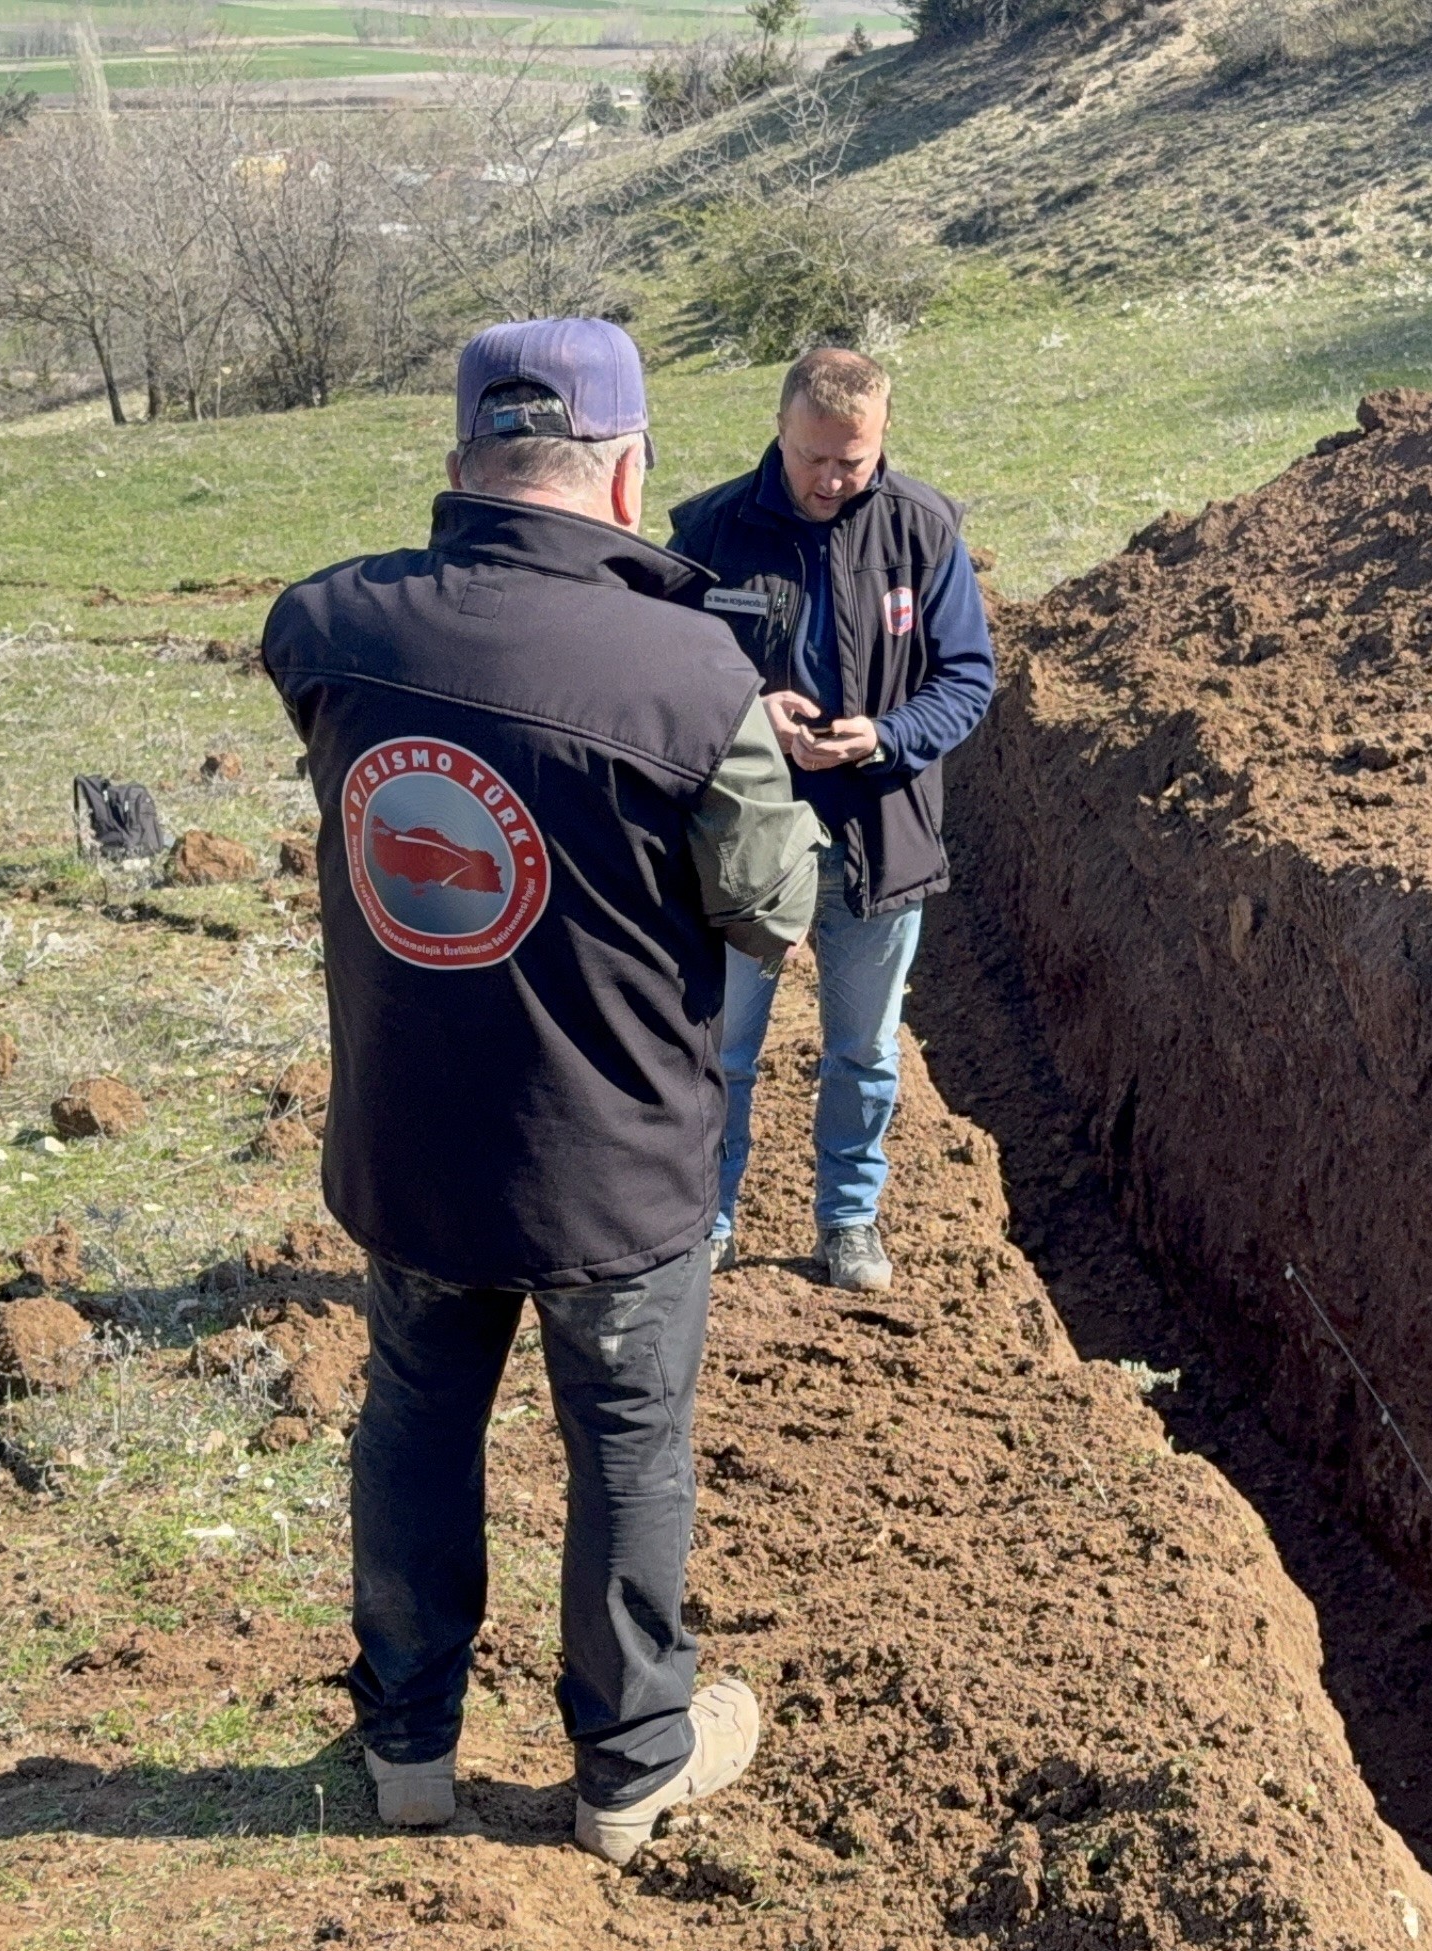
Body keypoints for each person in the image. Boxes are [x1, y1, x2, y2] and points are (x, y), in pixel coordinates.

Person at [258, 318, 822, 1867]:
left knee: (418, 1425)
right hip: (611, 1165)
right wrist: (745, 761)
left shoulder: (327, 625)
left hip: (415, 1146)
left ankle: (407, 1744)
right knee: (627, 1447)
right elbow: (772, 909)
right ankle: (632, 1765)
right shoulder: (696, 672)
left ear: (459, 465)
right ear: (629, 471)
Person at [667, 346, 996, 1294]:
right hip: (744, 840)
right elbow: (666, 681)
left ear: (882, 437)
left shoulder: (924, 531)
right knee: (720, 1049)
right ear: (781, 428)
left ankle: (849, 1221)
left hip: (877, 834)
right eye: (814, 455)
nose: (829, 478)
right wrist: (747, 717)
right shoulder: (711, 532)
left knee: (863, 1051)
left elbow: (968, 677)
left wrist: (886, 737)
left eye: (851, 461)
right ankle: (707, 1218)